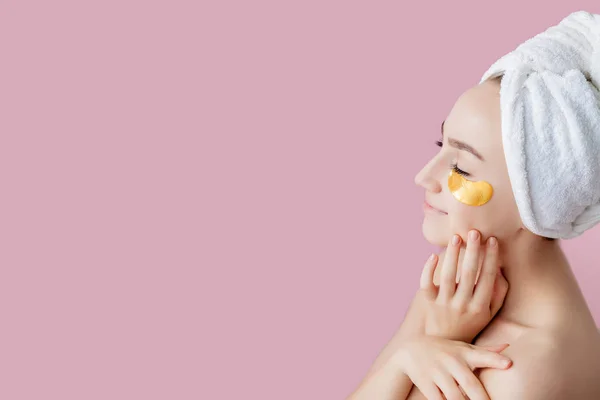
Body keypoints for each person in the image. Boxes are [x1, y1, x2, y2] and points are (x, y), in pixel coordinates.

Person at [347, 10, 600, 398]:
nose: (423, 177)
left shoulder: (523, 372)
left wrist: (411, 351)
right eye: (440, 145)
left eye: (461, 169)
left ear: (539, 198)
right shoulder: (455, 297)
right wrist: (425, 341)